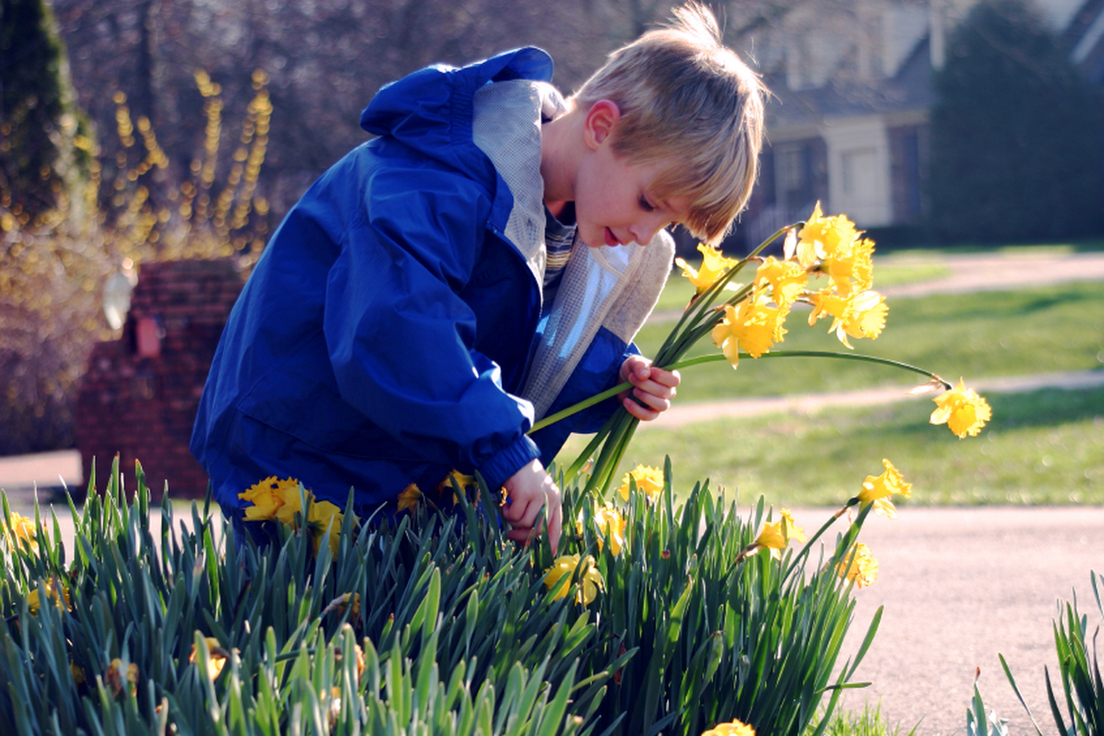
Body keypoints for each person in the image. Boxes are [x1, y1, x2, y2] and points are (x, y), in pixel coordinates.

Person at [190, 2, 766, 552]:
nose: (647, 234)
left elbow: (519, 344)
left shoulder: (572, 226)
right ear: (600, 126)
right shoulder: (436, 177)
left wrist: (613, 379)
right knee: (310, 617)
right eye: (649, 202)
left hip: (390, 455)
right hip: (302, 445)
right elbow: (399, 331)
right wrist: (504, 450)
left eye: (669, 222)